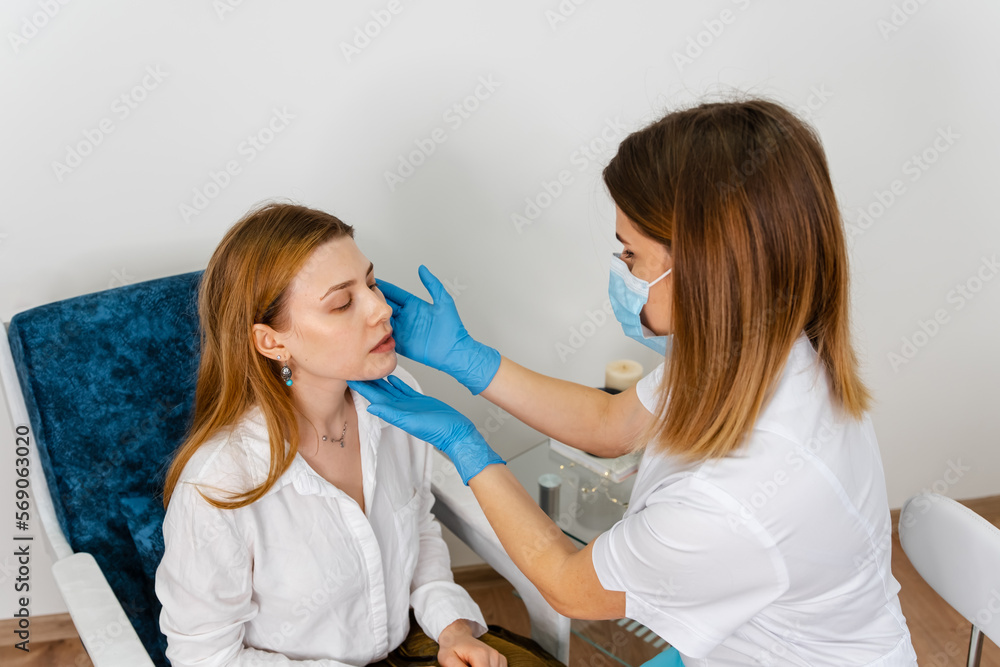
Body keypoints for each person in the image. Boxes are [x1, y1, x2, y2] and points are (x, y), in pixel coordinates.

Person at [349, 99, 919, 666]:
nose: (620, 269)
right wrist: (469, 361)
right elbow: (609, 425)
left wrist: (464, 444)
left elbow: (569, 585)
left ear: (704, 268)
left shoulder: (737, 499)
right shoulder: (754, 350)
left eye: (630, 253)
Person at [155, 203, 560, 667]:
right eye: (342, 303)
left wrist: (452, 629)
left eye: (371, 283)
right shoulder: (218, 485)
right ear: (272, 342)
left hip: (409, 646)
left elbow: (419, 530)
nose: (381, 309)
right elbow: (204, 658)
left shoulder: (399, 401)